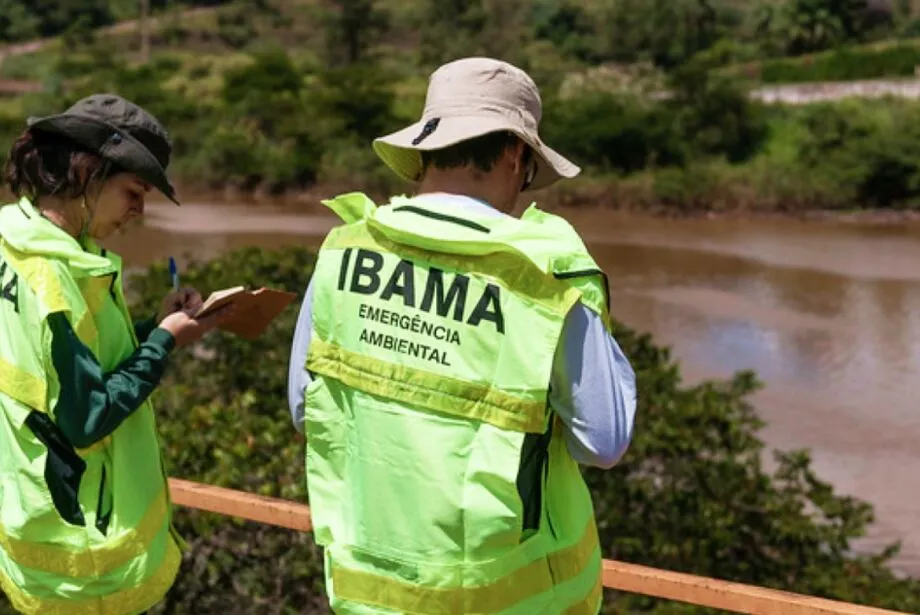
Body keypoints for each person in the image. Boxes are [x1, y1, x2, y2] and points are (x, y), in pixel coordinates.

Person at [288, 58, 637, 614]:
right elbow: (604, 440)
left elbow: (306, 409)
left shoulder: (345, 251)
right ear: (516, 154)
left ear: (426, 150)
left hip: (370, 595)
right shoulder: (545, 270)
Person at [0, 94, 230, 615]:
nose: (139, 212)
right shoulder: (57, 280)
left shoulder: (17, 245)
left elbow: (76, 365)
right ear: (88, 172)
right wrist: (163, 344)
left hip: (35, 528)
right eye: (133, 192)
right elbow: (88, 416)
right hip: (82, 562)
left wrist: (155, 328)